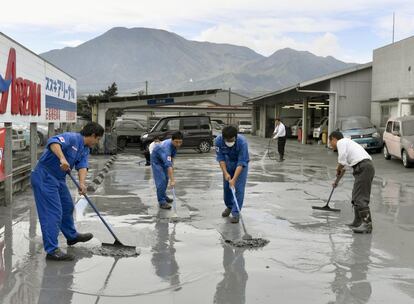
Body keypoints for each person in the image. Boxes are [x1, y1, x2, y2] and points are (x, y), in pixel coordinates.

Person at [31, 122, 104, 261]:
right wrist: (62, 158)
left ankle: (71, 236)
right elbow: (53, 142)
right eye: (98, 139)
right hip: (44, 176)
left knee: (67, 207)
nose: (97, 142)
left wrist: (82, 184)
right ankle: (52, 251)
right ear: (93, 135)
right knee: (53, 213)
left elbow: (82, 165)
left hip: (59, 178)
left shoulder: (85, 148)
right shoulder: (71, 138)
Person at [329, 131, 375, 233]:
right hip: (363, 167)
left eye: (330, 142)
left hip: (364, 167)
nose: (330, 145)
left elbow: (341, 163)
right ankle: (357, 221)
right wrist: (336, 181)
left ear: (334, 139)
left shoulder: (341, 142)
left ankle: (367, 225)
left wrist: (338, 167)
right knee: (355, 196)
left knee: (361, 197)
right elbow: (343, 168)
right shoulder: (347, 144)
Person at [215, 125, 249, 223]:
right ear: (223, 137)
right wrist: (225, 173)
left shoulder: (242, 142)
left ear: (236, 136)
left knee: (238, 189)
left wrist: (234, 179)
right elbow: (220, 159)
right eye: (227, 140)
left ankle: (236, 213)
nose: (230, 142)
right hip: (227, 164)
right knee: (227, 188)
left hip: (240, 166)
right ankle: (229, 206)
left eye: (232, 140)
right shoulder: (218, 141)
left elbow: (241, 162)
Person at [151, 132, 183, 209]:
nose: (178, 144)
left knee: (166, 178)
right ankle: (161, 201)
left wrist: (172, 168)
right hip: (157, 161)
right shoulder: (166, 148)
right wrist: (172, 180)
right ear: (172, 140)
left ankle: (164, 196)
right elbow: (168, 165)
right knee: (161, 180)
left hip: (164, 160)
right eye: (176, 142)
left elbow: (171, 160)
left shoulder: (174, 146)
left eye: (180, 142)